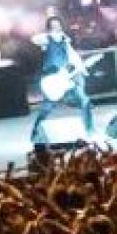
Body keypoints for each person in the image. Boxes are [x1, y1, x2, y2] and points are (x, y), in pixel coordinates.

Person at [29, 15, 93, 146]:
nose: (56, 27)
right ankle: (35, 130)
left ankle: (89, 129)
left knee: (84, 100)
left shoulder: (65, 40)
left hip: (65, 78)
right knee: (47, 107)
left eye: (57, 25)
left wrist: (81, 69)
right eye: (53, 25)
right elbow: (35, 39)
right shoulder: (46, 40)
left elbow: (72, 57)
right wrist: (49, 35)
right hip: (51, 79)